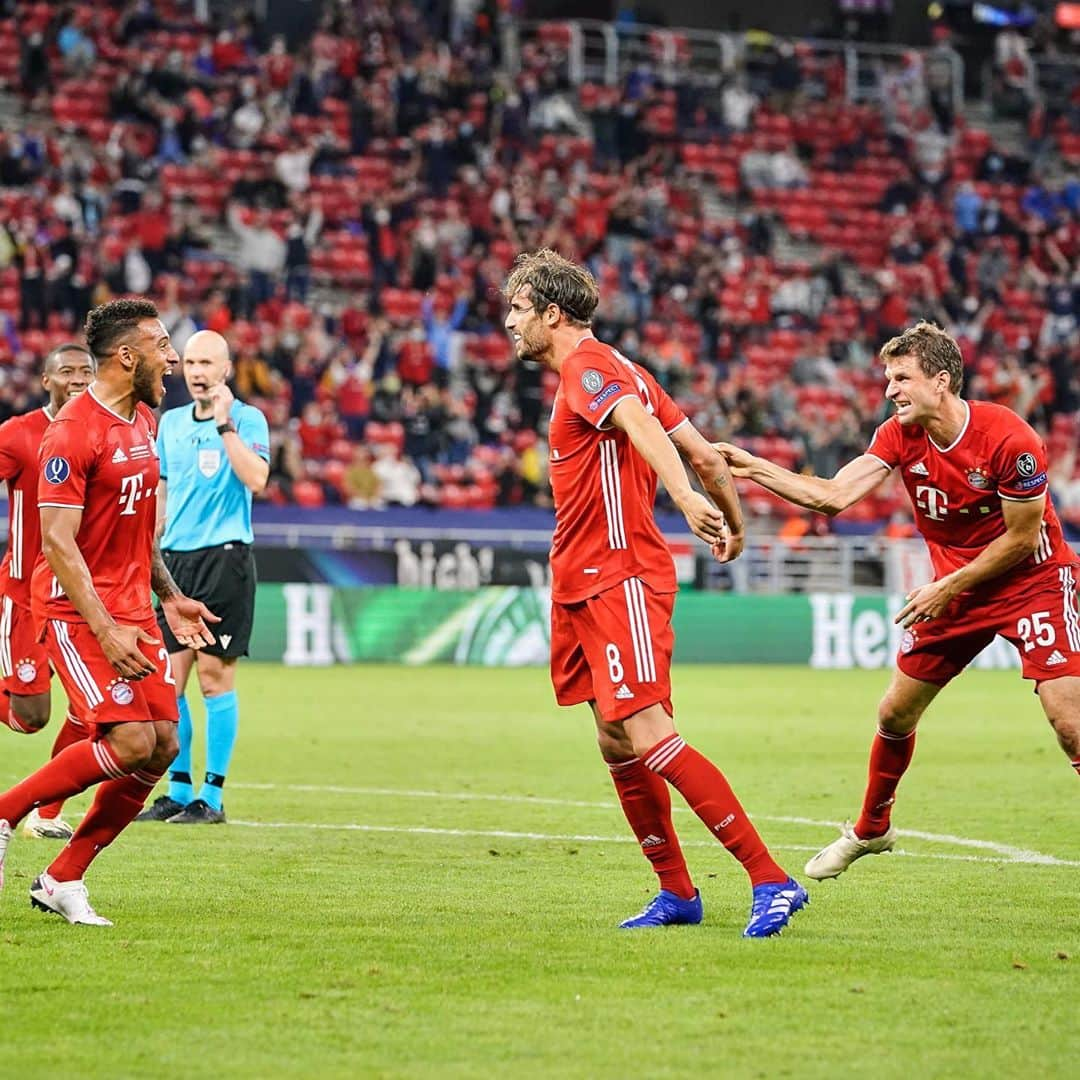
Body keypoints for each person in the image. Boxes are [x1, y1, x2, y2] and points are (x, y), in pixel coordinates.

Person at [503, 249, 807, 938]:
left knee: (649, 733)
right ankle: (677, 892)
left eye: (520, 309)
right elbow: (705, 449)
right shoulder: (623, 369)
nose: (510, 323)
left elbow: (648, 436)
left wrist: (688, 502)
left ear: (553, 313)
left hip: (620, 577)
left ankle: (772, 880)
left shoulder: (589, 366)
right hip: (582, 581)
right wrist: (731, 523)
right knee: (616, 739)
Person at [717, 321, 1080, 884]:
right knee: (894, 712)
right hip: (955, 590)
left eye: (902, 378)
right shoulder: (898, 435)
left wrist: (948, 586)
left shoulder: (1011, 439)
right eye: (889, 378)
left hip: (1031, 582)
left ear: (942, 381)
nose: (891, 390)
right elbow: (833, 496)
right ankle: (870, 828)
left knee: (1069, 721)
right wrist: (754, 466)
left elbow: (1019, 537)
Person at [0, 298, 219, 926]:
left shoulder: (145, 420)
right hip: (76, 612)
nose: (171, 357)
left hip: (134, 611)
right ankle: (7, 811)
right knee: (127, 740)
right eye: (161, 345)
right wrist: (104, 627)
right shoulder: (71, 431)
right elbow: (59, 543)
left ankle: (63, 876)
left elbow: (140, 529)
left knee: (162, 746)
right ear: (127, 356)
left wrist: (170, 595)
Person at [136, 330, 269, 825]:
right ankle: (178, 790)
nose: (196, 371)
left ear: (226, 369)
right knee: (166, 686)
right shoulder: (168, 423)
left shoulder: (248, 419)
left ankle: (211, 800)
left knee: (214, 680)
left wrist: (224, 424)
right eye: (189, 362)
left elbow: (256, 479)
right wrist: (148, 543)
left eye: (207, 363)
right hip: (175, 564)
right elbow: (164, 494)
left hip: (225, 559)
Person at [0, 344, 95, 839]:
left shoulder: (103, 432)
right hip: (24, 597)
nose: (78, 378)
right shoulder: (18, 436)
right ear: (45, 380)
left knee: (92, 710)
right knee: (31, 717)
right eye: (67, 371)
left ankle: (47, 814)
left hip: (82, 597)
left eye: (86, 370)